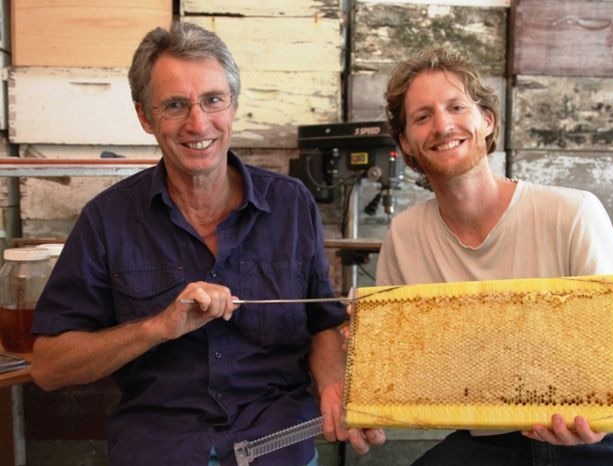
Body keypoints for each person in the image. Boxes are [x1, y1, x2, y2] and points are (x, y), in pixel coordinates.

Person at [30, 21, 384, 466]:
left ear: (232, 105)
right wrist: (156, 327)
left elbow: (321, 326)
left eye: (213, 100)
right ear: (144, 116)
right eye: (175, 105)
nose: (198, 123)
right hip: (161, 451)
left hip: (278, 446)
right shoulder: (107, 219)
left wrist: (335, 387)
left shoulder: (291, 204)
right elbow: (47, 367)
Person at [376, 47, 613, 466]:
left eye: (457, 107)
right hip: (491, 439)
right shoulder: (405, 236)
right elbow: (402, 361)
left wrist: (610, 409)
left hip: (600, 436)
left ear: (487, 121)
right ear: (406, 142)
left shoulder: (572, 212)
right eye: (422, 116)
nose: (443, 125)